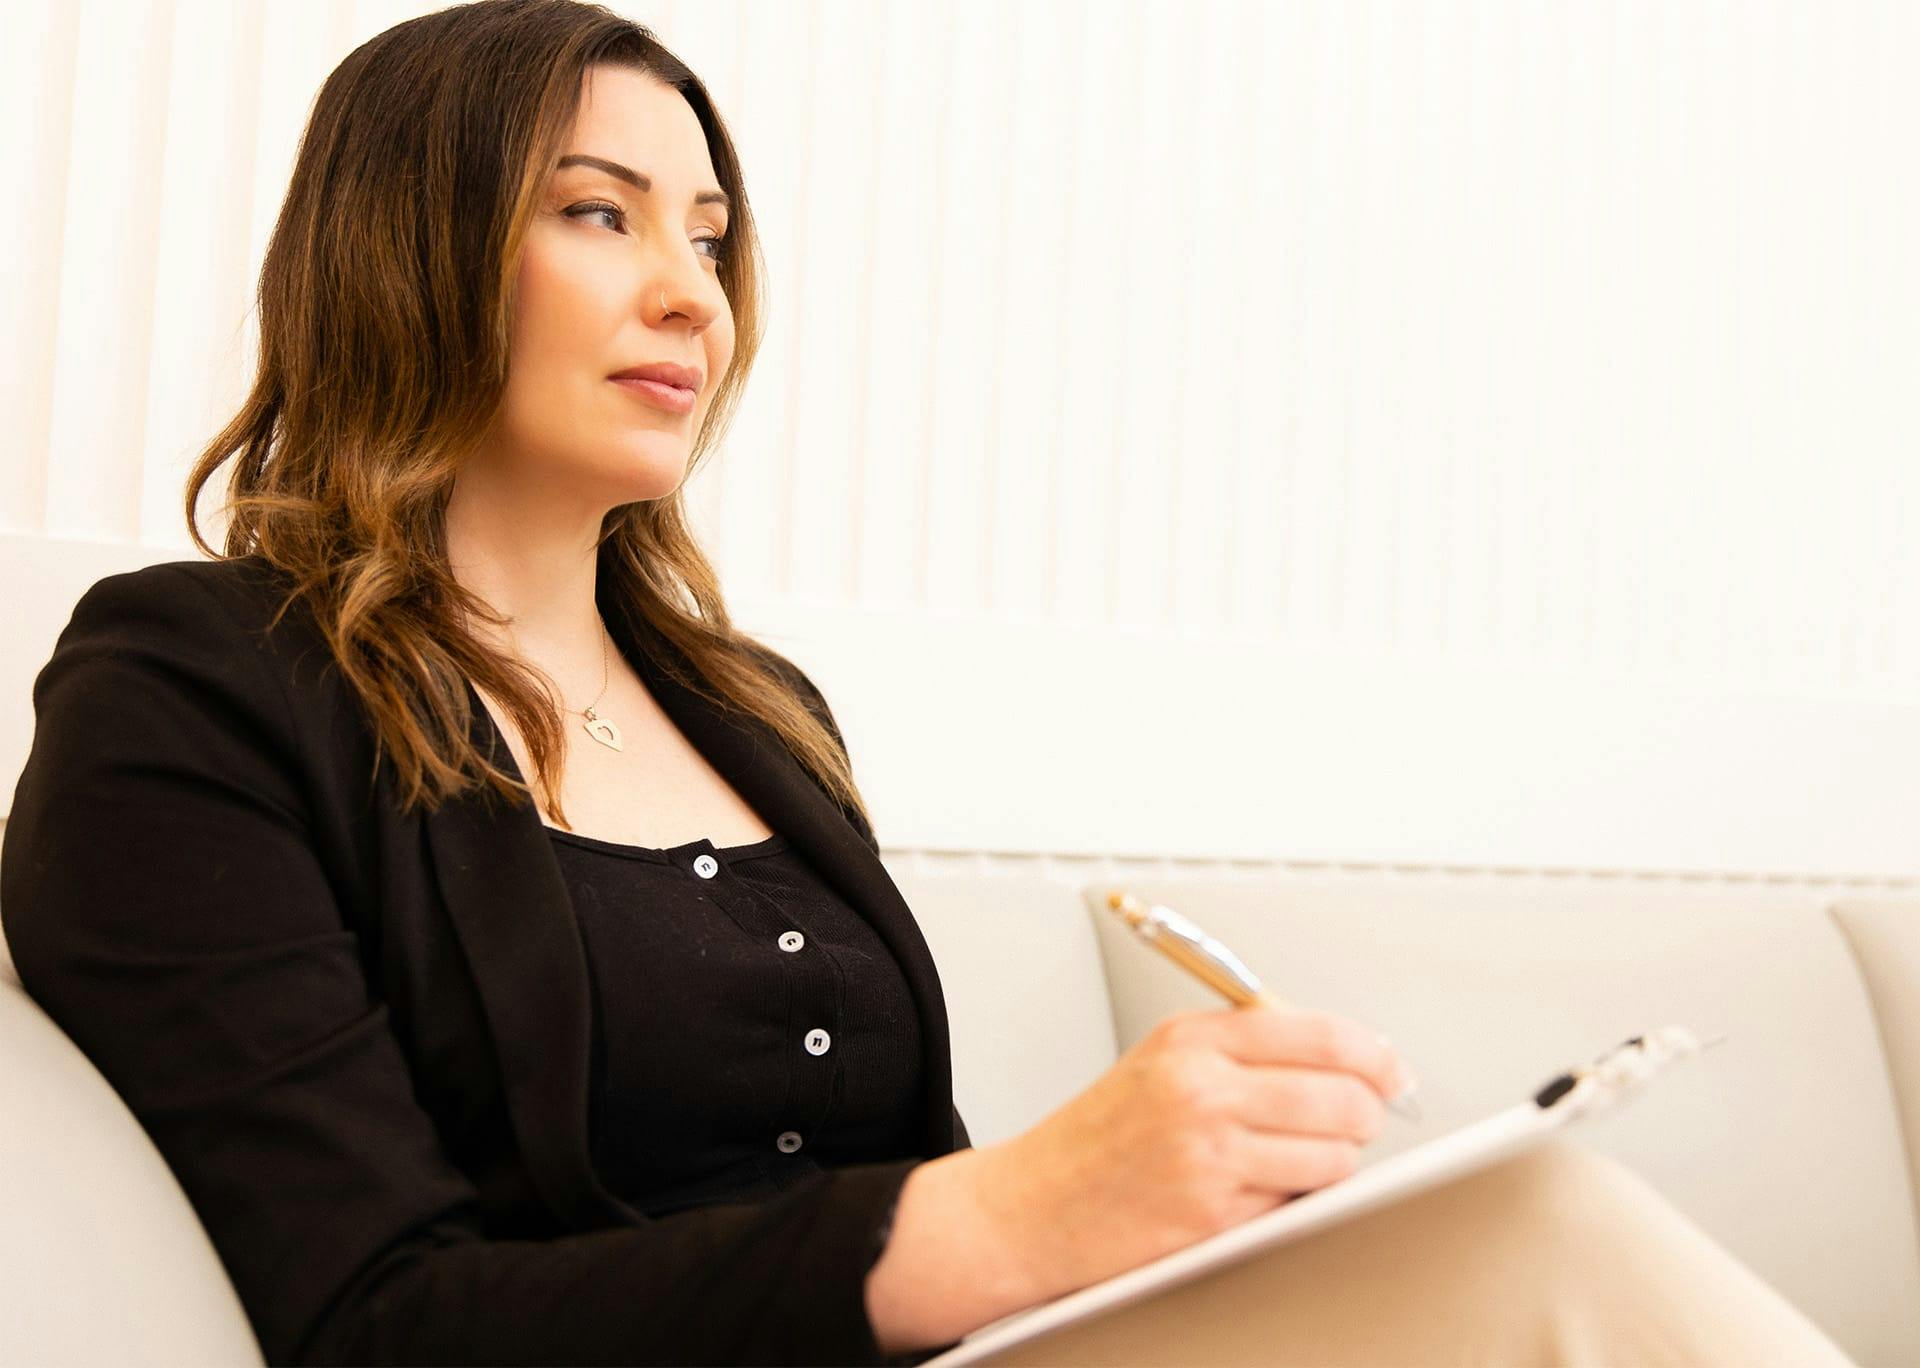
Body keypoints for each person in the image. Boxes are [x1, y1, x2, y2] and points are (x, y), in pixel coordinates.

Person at [0, 2, 1861, 1364]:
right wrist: (1017, 1212)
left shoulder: (755, 712)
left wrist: (1161, 1207)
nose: (690, 295)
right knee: (1540, 1252)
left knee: (1500, 1227)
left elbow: (916, 1191)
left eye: (711, 238)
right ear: (401, 246)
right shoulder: (192, 691)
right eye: (599, 214)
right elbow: (372, 1326)